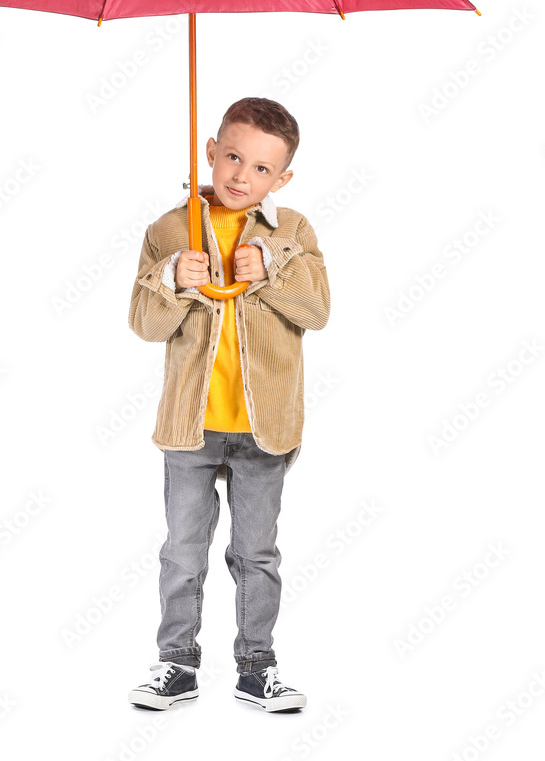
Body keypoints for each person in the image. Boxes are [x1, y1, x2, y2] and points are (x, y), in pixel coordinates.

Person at [127, 97, 330, 712]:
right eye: (233, 157)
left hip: (263, 426)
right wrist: (172, 281)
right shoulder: (171, 229)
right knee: (182, 550)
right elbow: (143, 323)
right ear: (210, 152)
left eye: (263, 169)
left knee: (256, 552)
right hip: (190, 426)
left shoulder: (291, 232)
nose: (243, 176)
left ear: (283, 179)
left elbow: (317, 312)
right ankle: (177, 663)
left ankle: (256, 665)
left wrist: (271, 268)